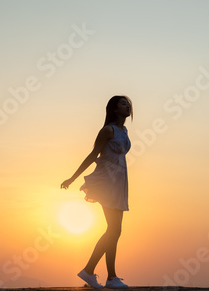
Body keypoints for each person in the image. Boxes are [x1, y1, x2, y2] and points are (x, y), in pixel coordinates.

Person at [60, 95, 133, 289]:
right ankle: (109, 276)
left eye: (128, 104)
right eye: (123, 104)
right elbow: (93, 155)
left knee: (115, 231)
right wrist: (72, 178)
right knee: (114, 229)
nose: (128, 106)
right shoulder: (107, 131)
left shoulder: (123, 130)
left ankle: (92, 272)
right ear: (114, 109)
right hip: (107, 182)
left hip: (119, 182)